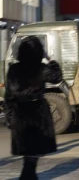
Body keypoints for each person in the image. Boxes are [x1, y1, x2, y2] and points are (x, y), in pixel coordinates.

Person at [4, 36, 63, 180]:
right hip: (37, 114)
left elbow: (9, 95)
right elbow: (57, 76)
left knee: (29, 156)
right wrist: (50, 59)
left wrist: (10, 117)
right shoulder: (41, 69)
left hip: (20, 113)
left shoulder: (14, 69)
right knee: (31, 159)